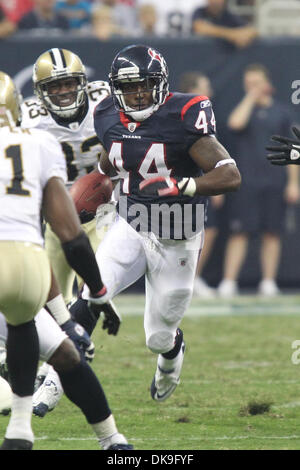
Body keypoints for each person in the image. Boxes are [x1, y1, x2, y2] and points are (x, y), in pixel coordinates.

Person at [70, 44, 241, 404]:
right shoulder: (107, 114)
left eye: (142, 85)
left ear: (160, 83)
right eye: (127, 87)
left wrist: (183, 184)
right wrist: (96, 187)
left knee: (158, 337)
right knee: (91, 291)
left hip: (179, 232)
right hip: (131, 221)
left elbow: (230, 175)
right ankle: (53, 383)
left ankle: (171, 355)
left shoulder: (184, 114)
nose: (135, 94)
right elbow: (110, 162)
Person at [0, 72, 132, 450]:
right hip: (26, 264)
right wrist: (90, 300)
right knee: (64, 352)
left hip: (22, 257)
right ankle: (112, 442)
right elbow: (70, 236)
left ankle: (20, 424)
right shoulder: (39, 142)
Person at [20, 47, 114, 415]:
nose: (62, 93)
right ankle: (43, 359)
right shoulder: (28, 116)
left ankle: (54, 373)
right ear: (41, 91)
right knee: (43, 297)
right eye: (54, 87)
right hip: (55, 214)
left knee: (93, 289)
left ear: (83, 83)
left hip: (103, 209)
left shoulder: (106, 100)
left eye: (69, 84)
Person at [218, 64, 300, 298]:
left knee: (272, 233)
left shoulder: (283, 113)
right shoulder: (245, 110)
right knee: (239, 232)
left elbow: (293, 149)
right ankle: (229, 281)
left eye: (256, 82)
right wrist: (250, 98)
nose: (252, 87)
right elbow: (235, 123)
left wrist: (293, 183)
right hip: (247, 182)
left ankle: (268, 281)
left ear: (267, 83)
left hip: (275, 181)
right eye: (248, 83)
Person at [178, 71, 224, 298]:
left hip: (197, 181)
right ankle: (185, 280)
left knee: (205, 229)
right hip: (182, 180)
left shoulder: (202, 114)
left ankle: (191, 278)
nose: (210, 92)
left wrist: (215, 180)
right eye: (204, 87)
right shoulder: (182, 114)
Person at [192, 0, 258, 48]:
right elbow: (199, 28)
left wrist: (242, 36)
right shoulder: (200, 11)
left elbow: (252, 30)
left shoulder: (227, 15)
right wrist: (232, 35)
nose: (216, 1)